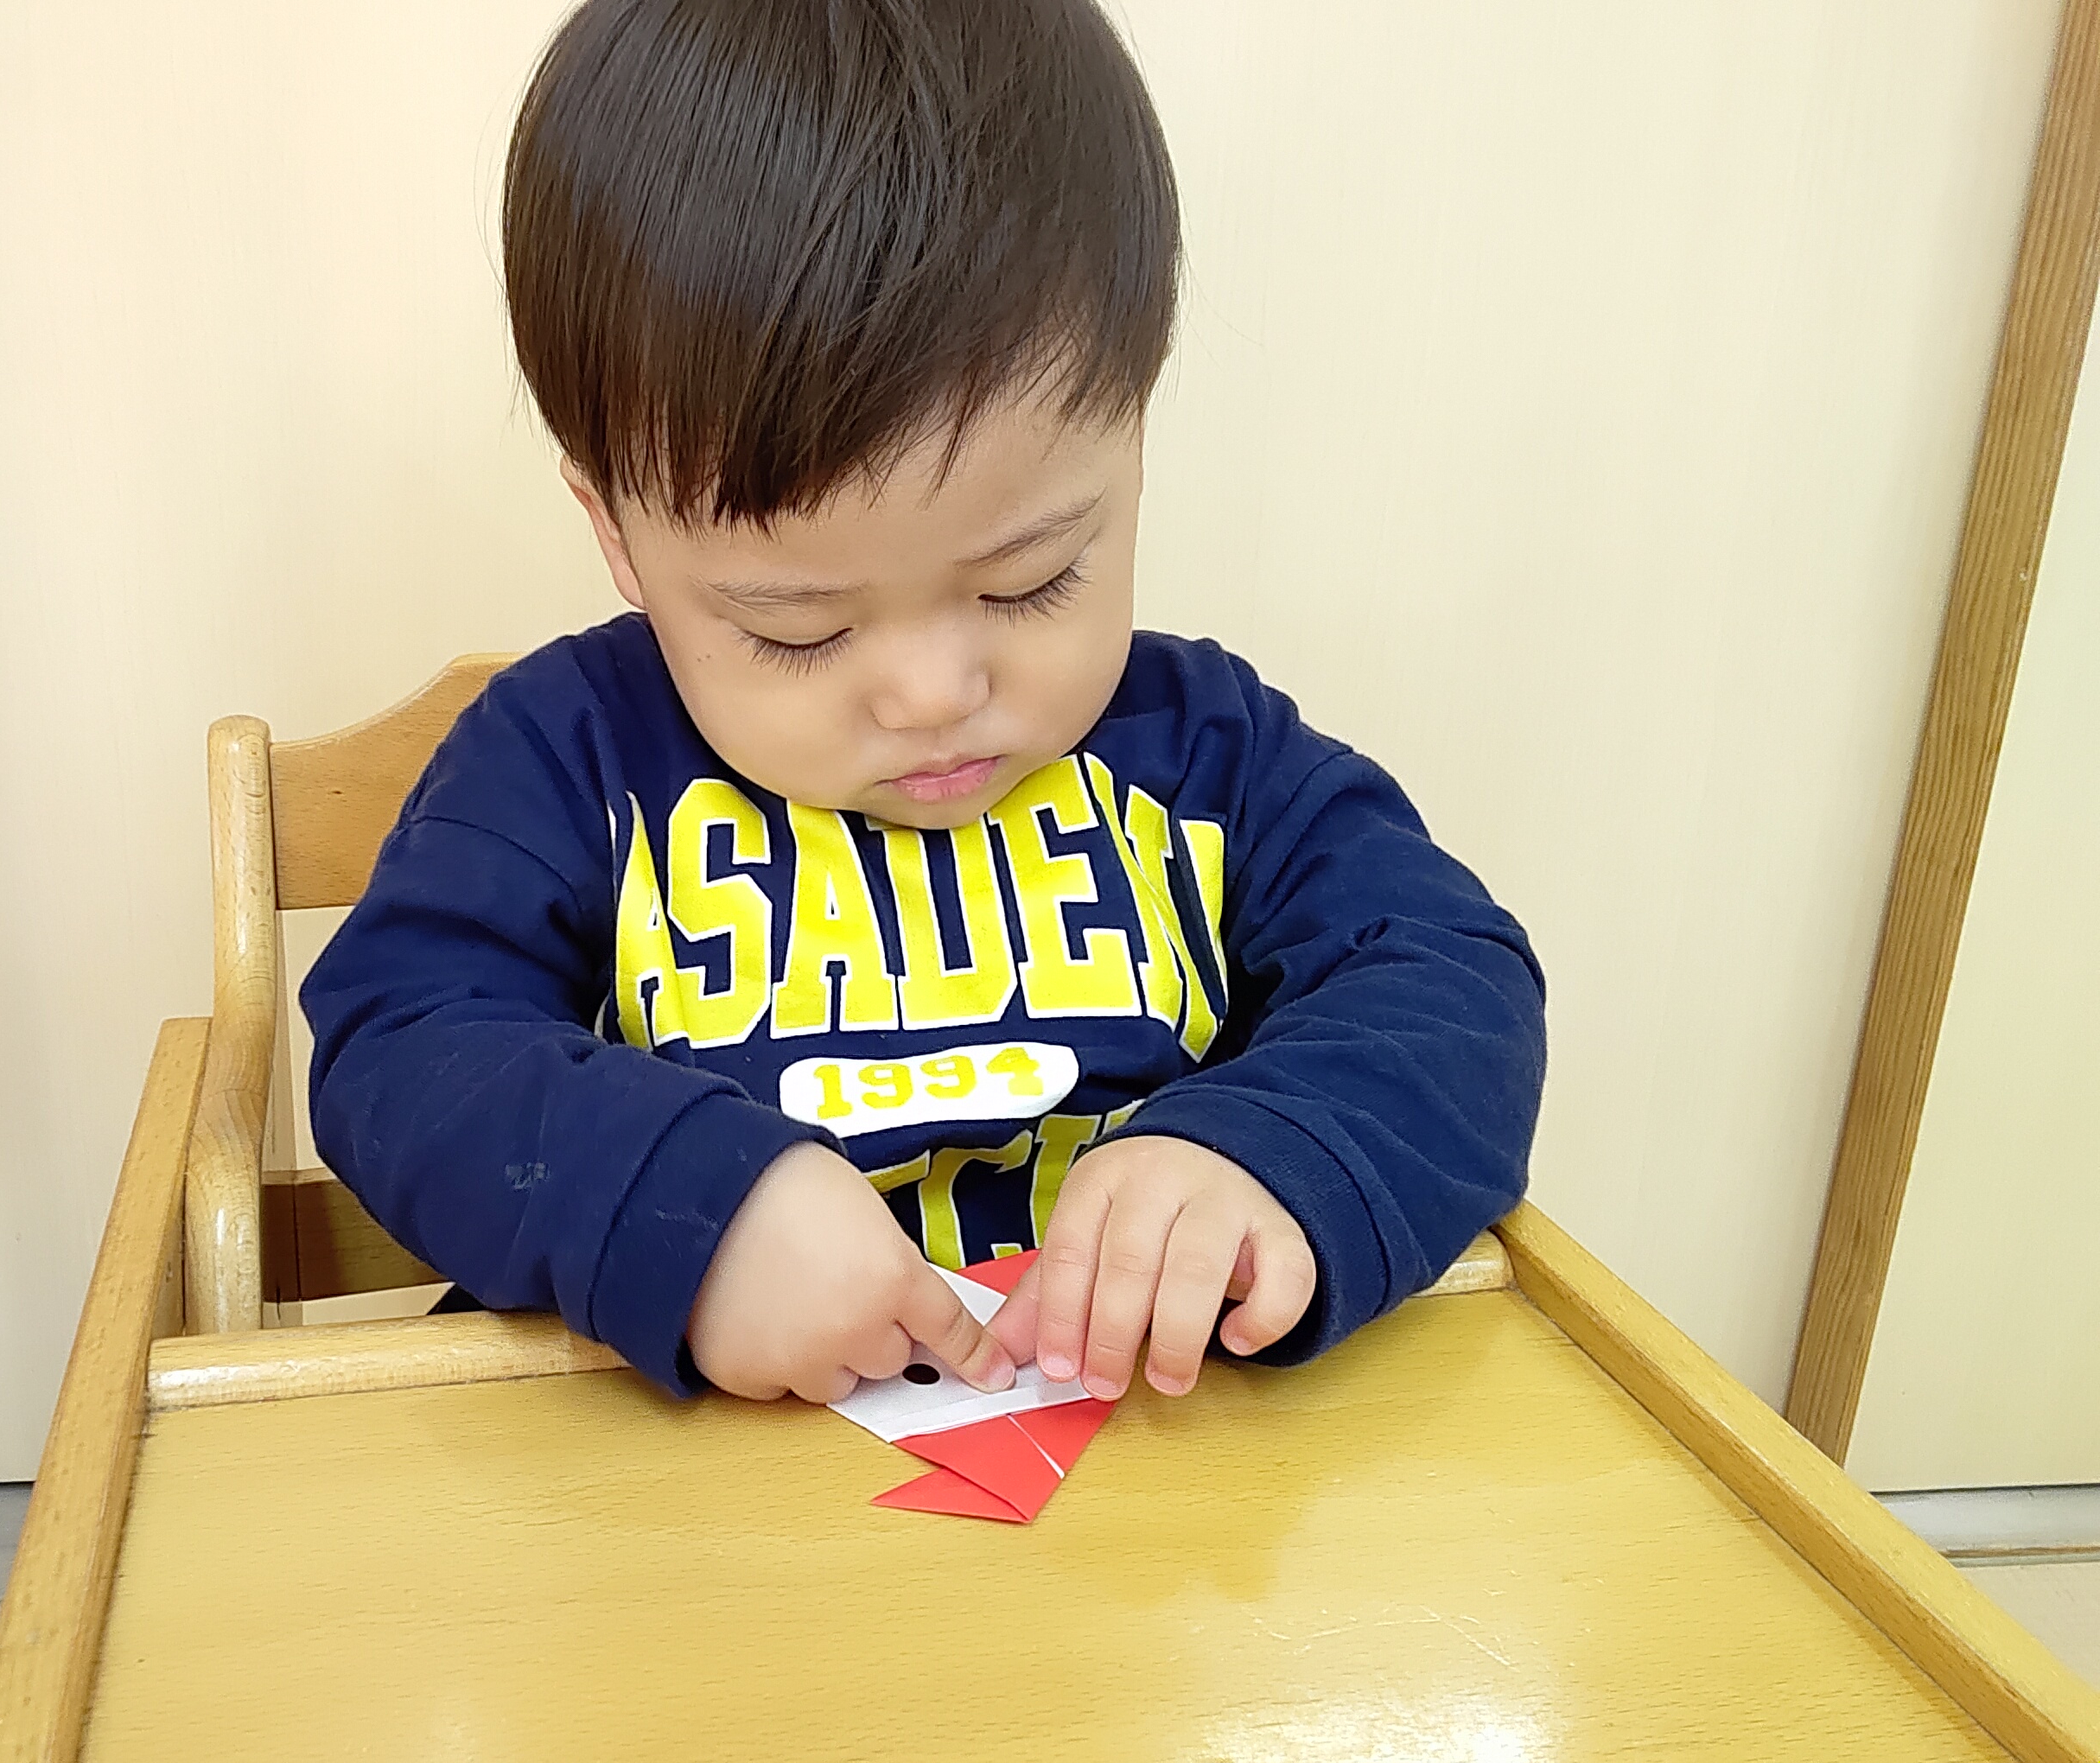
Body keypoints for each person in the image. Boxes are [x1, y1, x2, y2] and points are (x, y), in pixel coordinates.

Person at [301, 0, 1546, 1412]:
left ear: (1133, 440)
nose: (935, 694)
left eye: (1030, 580)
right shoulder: (566, 757)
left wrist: (1267, 1153)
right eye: (799, 629)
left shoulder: (1212, 754)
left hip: (1145, 1495)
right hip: (699, 1513)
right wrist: (684, 1208)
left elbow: (1452, 981)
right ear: (620, 538)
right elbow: (402, 1046)